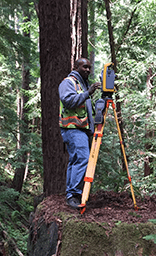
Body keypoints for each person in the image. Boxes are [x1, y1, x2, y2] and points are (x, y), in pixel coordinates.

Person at [59, 58, 100, 209]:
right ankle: (74, 194)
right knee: (82, 158)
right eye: (84, 67)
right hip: (72, 128)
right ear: (76, 67)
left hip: (81, 129)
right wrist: (87, 93)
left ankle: (72, 194)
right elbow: (68, 101)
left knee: (76, 160)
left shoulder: (83, 85)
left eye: (89, 68)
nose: (88, 70)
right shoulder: (68, 82)